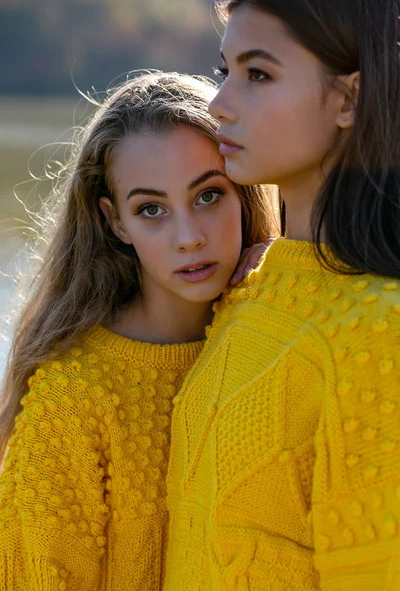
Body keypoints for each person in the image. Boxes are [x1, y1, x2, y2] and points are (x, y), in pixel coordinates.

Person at [0, 72, 279, 591]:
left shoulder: (277, 333)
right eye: (152, 209)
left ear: (243, 192)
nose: (189, 238)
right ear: (115, 222)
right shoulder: (76, 396)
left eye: (209, 195)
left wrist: (286, 277)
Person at [164, 0, 400, 589]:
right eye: (225, 71)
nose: (218, 104)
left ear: (347, 98)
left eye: (258, 74)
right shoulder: (248, 288)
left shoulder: (379, 330)